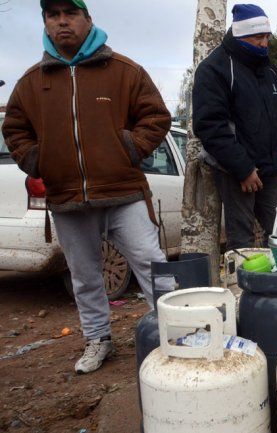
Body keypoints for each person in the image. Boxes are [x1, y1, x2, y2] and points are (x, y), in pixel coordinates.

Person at [2, 0, 173, 373]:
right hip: (66, 197)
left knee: (152, 263)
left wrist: (129, 147)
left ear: (87, 20)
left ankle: (176, 335)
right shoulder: (33, 82)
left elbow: (157, 116)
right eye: (53, 15)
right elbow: (14, 128)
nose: (62, 22)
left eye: (70, 14)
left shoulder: (124, 71)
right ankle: (99, 340)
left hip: (122, 190)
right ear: (46, 24)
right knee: (84, 275)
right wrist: (36, 159)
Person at [193, 4, 277, 250]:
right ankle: (242, 288)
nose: (264, 43)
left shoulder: (269, 69)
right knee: (242, 242)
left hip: (268, 171)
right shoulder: (213, 68)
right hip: (236, 172)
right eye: (258, 37)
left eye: (267, 37)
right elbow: (210, 127)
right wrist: (243, 168)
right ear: (239, 34)